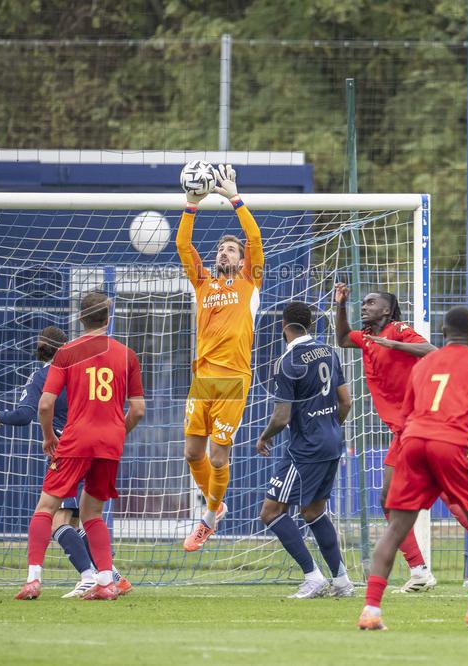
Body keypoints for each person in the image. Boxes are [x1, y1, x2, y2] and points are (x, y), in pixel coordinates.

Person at [357, 305, 468, 631]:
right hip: (449, 445)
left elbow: (408, 414)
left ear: (444, 334)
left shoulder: (424, 363)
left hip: (414, 443)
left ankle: (371, 610)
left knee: (395, 528)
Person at [334, 283, 468, 593]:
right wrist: (340, 305)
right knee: (389, 500)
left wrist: (393, 345)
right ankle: (419, 572)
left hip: (419, 424)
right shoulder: (367, 338)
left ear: (386, 310)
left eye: (370, 303)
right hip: (402, 430)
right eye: (362, 302)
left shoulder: (398, 330)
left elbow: (432, 350)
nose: (364, 307)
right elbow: (342, 338)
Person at [15, 292, 145, 601]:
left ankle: (34, 579)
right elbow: (138, 410)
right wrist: (117, 432)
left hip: (75, 440)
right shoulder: (127, 355)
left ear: (79, 318)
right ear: (109, 318)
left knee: (46, 507)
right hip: (109, 444)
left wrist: (49, 437)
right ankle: (105, 582)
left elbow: (45, 405)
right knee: (93, 515)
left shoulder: (67, 352)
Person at [0, 325, 131, 598]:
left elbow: (25, 414)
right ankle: (112, 576)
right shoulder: (86, 371)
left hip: (68, 450)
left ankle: (88, 576)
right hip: (101, 447)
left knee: (56, 517)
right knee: (85, 519)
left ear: (40, 348)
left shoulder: (45, 374)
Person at [177, 164, 265, 551]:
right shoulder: (203, 282)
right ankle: (217, 504)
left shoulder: (250, 279)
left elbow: (255, 236)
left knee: (216, 455)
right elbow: (184, 246)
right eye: (220, 248)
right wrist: (191, 205)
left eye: (231, 248)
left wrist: (234, 198)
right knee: (192, 452)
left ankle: (209, 517)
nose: (224, 251)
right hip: (202, 376)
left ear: (241, 258)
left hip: (233, 377)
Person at [256, 302, 354, 599]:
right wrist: (328, 428)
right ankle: (342, 581)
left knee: (271, 512)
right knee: (313, 512)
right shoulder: (328, 352)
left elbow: (282, 417)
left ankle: (313, 577)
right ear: (309, 325)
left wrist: (264, 437)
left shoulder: (287, 362)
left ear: (284, 326)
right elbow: (346, 402)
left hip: (305, 449)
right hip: (332, 442)